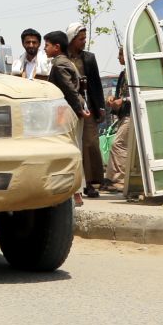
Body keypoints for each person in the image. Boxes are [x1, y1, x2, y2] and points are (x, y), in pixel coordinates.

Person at [44, 31, 87, 206]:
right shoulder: (64, 62)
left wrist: (79, 108)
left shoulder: (60, 64)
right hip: (72, 111)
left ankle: (76, 193)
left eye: (47, 45)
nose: (44, 49)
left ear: (56, 47)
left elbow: (69, 89)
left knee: (71, 150)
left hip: (68, 112)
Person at [66, 22, 105, 198]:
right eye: (81, 39)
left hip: (87, 106)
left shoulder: (88, 58)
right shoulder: (62, 58)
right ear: (72, 39)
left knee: (90, 144)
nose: (84, 42)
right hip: (68, 108)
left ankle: (90, 183)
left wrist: (100, 107)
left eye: (84, 38)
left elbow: (96, 84)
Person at [103, 47, 132, 192]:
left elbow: (138, 93)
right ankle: (111, 179)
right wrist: (113, 100)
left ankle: (119, 181)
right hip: (123, 115)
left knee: (118, 144)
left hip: (132, 115)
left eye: (120, 54)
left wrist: (123, 100)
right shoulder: (123, 74)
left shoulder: (135, 73)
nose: (118, 57)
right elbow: (119, 96)